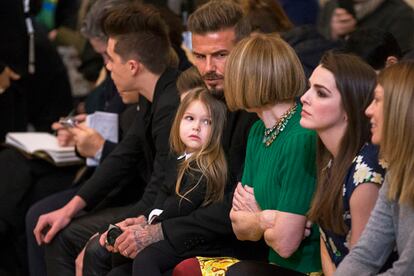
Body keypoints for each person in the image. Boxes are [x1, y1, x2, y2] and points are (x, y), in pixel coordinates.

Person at [82, 1, 261, 275]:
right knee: (106, 255)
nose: (209, 68)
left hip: (231, 239)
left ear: (245, 49)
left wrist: (160, 230)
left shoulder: (256, 111)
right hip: (187, 223)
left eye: (221, 55)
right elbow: (172, 178)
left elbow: (233, 206)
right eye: (200, 56)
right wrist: (147, 219)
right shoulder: (200, 98)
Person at [30, 3, 180, 275]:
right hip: (149, 204)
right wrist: (69, 209)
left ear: (133, 66)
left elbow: (159, 190)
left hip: (162, 214)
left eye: (110, 59)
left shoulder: (171, 104)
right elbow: (123, 155)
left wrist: (105, 232)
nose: (108, 68)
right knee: (61, 227)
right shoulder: (152, 95)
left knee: (69, 239)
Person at [98, 87, 228, 275]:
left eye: (206, 121)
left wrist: (150, 223)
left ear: (217, 129)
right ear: (178, 121)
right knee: (118, 256)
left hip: (191, 240)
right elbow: (161, 196)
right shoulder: (178, 159)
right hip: (169, 229)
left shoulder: (206, 166)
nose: (196, 127)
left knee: (147, 258)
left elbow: (182, 207)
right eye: (190, 118)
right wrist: (143, 219)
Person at [225, 33, 320, 275]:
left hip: (306, 269)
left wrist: (256, 216)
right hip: (273, 263)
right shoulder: (259, 130)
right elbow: (238, 225)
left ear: (248, 81)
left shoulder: (301, 136)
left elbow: (286, 245)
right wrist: (267, 218)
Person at [300, 52, 385, 275]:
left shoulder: (366, 172)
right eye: (309, 88)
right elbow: (327, 245)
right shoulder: (331, 159)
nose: (304, 98)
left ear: (349, 109)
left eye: (320, 93)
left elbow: (361, 264)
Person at [335, 61, 414, 275]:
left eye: (377, 100)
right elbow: (365, 254)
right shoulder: (397, 173)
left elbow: (407, 270)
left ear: (401, 109)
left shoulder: (372, 165)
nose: (368, 110)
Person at [318, 0, 414, 52]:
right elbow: (315, 45)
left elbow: (397, 62)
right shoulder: (332, 6)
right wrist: (333, 34)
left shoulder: (401, 15)